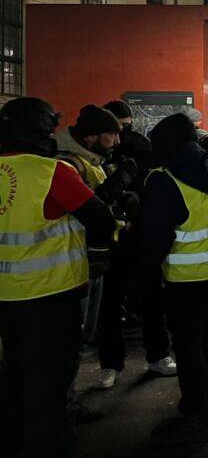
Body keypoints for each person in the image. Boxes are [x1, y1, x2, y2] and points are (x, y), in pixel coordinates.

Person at [0, 98, 116, 458]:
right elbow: (100, 219)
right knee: (50, 375)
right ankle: (47, 441)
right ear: (40, 131)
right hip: (50, 293)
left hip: (5, 296)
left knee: (14, 371)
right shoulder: (52, 172)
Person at [138, 113, 208, 444]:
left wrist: (138, 282)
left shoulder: (164, 178)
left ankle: (196, 417)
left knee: (188, 346)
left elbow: (156, 237)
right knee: (205, 339)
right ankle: (205, 405)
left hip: (187, 277)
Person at [95, 100, 176, 389]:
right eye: (114, 131)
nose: (118, 138)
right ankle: (146, 358)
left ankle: (119, 363)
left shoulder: (137, 149)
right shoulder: (88, 158)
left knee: (132, 300)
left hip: (131, 236)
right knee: (131, 300)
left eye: (122, 130)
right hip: (124, 238)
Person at [54, 105, 136, 344]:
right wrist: (121, 179)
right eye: (113, 134)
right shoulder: (67, 163)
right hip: (76, 257)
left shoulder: (90, 158)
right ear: (92, 135)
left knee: (88, 330)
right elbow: (92, 207)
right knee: (75, 336)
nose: (118, 141)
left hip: (96, 253)